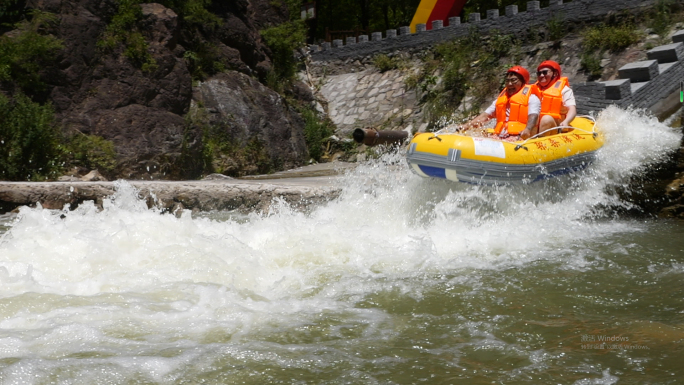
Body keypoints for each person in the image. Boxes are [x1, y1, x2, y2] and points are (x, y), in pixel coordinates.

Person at [463, 66, 540, 140]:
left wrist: (527, 129)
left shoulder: (532, 98)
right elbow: (485, 116)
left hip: (519, 135)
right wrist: (466, 126)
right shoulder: (500, 100)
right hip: (500, 135)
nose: (509, 84)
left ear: (523, 82)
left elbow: (533, 116)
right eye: (507, 81)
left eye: (513, 80)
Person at [535, 60, 577, 136]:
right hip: (535, 126)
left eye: (545, 72)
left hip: (555, 126)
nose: (541, 75)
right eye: (539, 73)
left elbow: (572, 109)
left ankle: (540, 143)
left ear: (555, 73)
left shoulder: (565, 90)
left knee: (546, 119)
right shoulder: (534, 89)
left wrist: (566, 122)